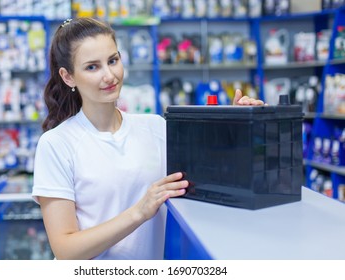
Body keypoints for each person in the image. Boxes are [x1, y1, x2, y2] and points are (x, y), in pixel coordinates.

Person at [32, 17, 265, 260]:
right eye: (92, 67)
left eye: (113, 60)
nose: (109, 75)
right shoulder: (57, 144)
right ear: (68, 77)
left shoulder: (154, 127)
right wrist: (139, 212)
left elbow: (217, 174)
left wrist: (240, 124)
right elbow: (65, 250)